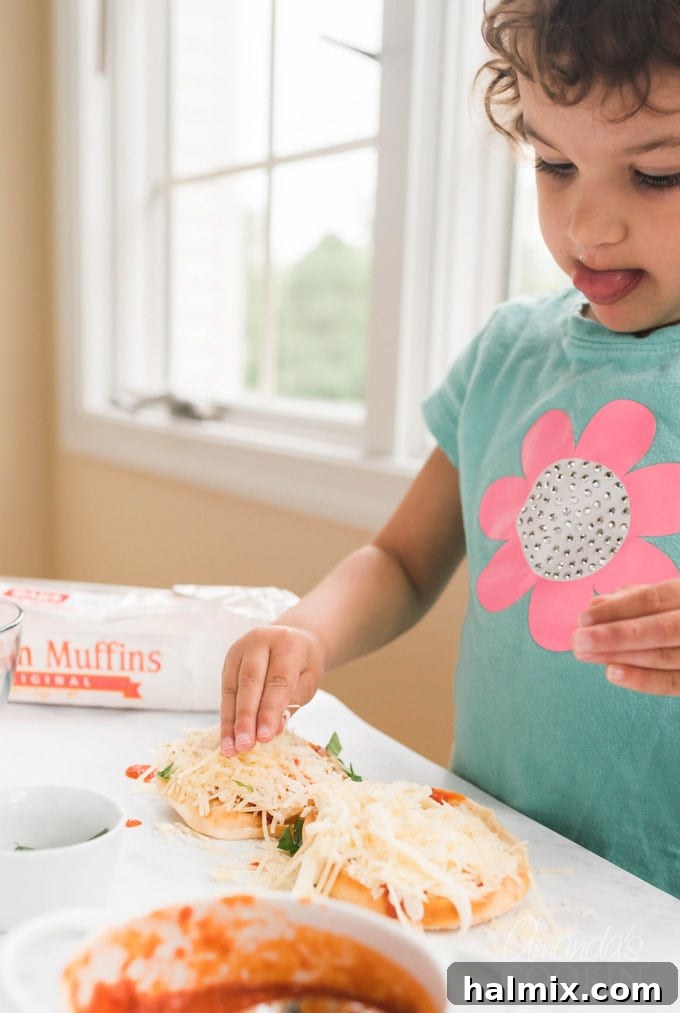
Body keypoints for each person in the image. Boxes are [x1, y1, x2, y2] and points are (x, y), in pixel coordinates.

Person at [221, 0, 680, 898]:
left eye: (657, 174)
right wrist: (308, 630)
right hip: (479, 863)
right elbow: (400, 558)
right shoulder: (509, 353)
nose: (587, 225)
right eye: (554, 164)